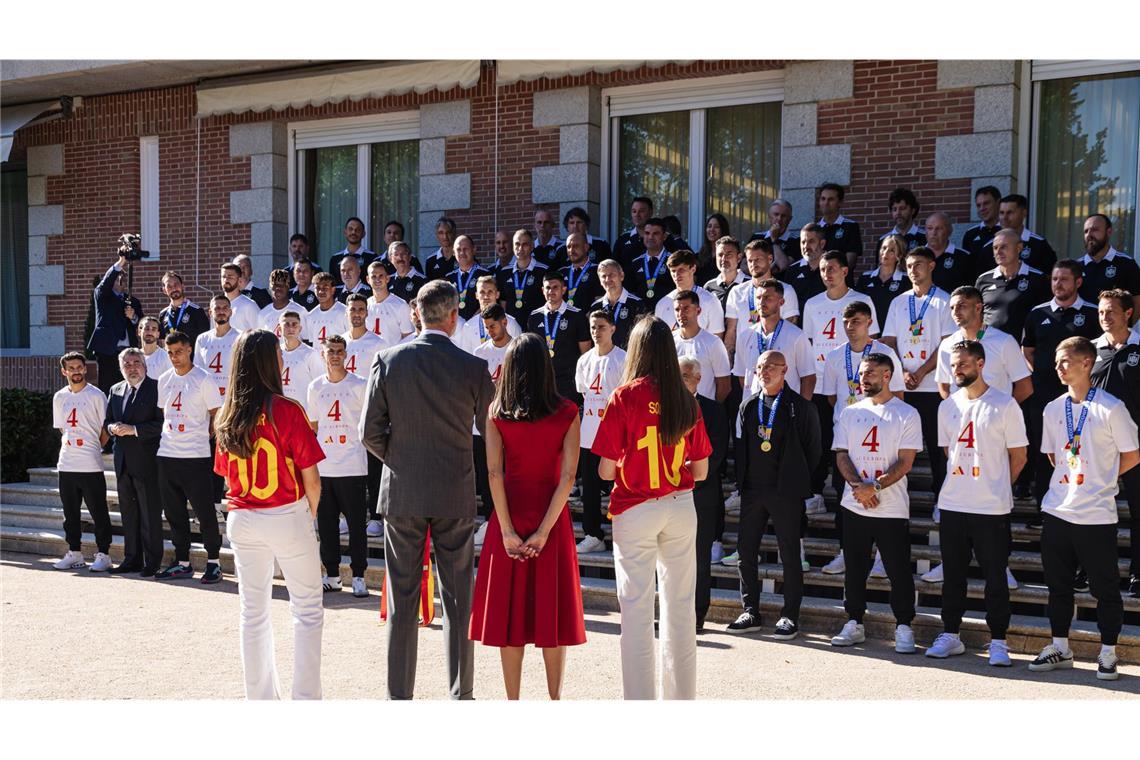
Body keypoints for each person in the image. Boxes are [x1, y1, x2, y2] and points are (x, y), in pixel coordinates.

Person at [359, 280, 495, 700]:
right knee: (458, 599)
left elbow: (368, 432)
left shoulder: (388, 360)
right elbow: (492, 430)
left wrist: (399, 459)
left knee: (403, 599)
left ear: (417, 314)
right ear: (454, 316)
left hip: (403, 489)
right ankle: (461, 694)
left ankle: (399, 698)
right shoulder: (473, 367)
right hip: (454, 487)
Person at [591, 316, 712, 699]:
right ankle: (681, 703)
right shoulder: (685, 397)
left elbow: (606, 471)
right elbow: (703, 470)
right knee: (680, 609)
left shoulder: (624, 396)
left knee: (636, 611)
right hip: (679, 504)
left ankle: (639, 706)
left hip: (636, 506)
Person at [468, 333, 586, 699]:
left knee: (509, 615)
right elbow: (568, 476)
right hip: (550, 518)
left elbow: (493, 473)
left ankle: (513, 701)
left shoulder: (496, 414)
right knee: (551, 612)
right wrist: (545, 530)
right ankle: (554, 699)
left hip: (510, 513)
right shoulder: (567, 412)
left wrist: (505, 530)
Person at [213, 329, 326, 699]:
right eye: (278, 353)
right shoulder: (288, 409)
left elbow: (226, 475)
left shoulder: (226, 415)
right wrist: (306, 519)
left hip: (243, 517)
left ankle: (260, 702)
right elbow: (312, 480)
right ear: (268, 361)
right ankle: (305, 702)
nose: (282, 359)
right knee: (307, 610)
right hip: (284, 511)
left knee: (253, 611)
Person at [1030, 336, 1139, 680]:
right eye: (1058, 361)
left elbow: (1133, 454)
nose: (1059, 367)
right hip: (1058, 509)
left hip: (1096, 514)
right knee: (1058, 586)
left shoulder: (1111, 407)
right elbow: (1052, 455)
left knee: (1105, 589)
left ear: (1087, 363)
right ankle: (1060, 646)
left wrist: (1102, 476)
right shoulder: (1052, 408)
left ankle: (1108, 653)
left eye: (1066, 361)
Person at [924, 340, 1027, 666]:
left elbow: (1019, 456)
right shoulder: (947, 406)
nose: (957, 370)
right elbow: (947, 452)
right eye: (954, 365)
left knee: (995, 577)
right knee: (953, 575)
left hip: (991, 507)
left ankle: (998, 641)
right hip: (954, 503)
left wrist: (996, 485)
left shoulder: (1004, 404)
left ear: (981, 364)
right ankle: (951, 634)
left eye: (964, 364)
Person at [829, 353, 923, 653]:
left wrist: (876, 486)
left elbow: (906, 461)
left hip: (891, 506)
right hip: (854, 503)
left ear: (886, 375)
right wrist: (859, 487)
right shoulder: (849, 412)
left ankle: (904, 626)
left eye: (869, 372)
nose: (863, 378)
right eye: (861, 373)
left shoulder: (907, 413)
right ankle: (854, 621)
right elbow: (841, 454)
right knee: (855, 567)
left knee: (897, 568)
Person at [726, 350, 821, 638]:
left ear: (785, 370)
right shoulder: (748, 406)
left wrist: (798, 481)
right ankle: (750, 610)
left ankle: (789, 614)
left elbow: (813, 450)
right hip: (754, 489)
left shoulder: (800, 407)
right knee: (746, 551)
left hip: (786, 491)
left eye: (770, 367)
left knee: (790, 553)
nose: (764, 372)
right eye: (759, 368)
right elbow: (740, 447)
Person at [818, 301, 905, 576]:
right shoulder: (834, 356)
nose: (849, 326)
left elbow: (899, 396)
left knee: (885, 491)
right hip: (847, 435)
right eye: (845, 321)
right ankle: (846, 552)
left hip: (882, 433)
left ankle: (881, 556)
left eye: (855, 320)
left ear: (869, 321)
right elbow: (833, 397)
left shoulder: (885, 352)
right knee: (846, 495)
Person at [1019, 261, 1101, 517]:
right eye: (1055, 279)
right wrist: (1046, 373)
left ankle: (1081, 506)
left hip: (1081, 399)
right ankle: (1044, 508)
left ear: (1078, 282)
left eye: (1064, 279)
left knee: (1081, 450)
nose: (1058, 284)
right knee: (1045, 451)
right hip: (1043, 395)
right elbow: (1027, 350)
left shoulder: (1091, 313)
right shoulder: (1037, 313)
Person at [801, 250, 879, 517]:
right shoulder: (812, 303)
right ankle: (816, 492)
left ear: (845, 271)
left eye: (832, 268)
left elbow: (874, 343)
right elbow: (809, 343)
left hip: (856, 388)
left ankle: (856, 490)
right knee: (820, 440)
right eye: (823, 270)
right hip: (822, 384)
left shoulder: (862, 300)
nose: (827, 274)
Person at [881, 247, 956, 507]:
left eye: (919, 265)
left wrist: (921, 371)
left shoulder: (945, 301)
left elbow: (948, 343)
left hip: (933, 387)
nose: (913, 270)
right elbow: (888, 341)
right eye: (910, 266)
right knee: (896, 446)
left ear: (932, 266)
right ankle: (893, 497)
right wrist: (901, 371)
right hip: (902, 387)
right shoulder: (898, 302)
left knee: (938, 448)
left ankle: (941, 500)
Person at [155, 330, 224, 582]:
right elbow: (165, 413)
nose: (175, 357)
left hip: (195, 457)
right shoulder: (164, 379)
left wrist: (201, 438)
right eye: (170, 353)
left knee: (204, 512)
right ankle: (182, 561)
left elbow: (216, 414)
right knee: (174, 513)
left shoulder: (204, 379)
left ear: (189, 350)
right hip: (167, 454)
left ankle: (214, 562)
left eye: (179, 352)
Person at [307, 334, 369, 598]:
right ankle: (332, 575)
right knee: (327, 525)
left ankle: (358, 576)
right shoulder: (315, 387)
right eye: (330, 351)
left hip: (353, 466)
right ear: (322, 355)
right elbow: (314, 425)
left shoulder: (360, 385)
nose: (334, 355)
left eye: (339, 351)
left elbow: (369, 422)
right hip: (326, 468)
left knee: (356, 526)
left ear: (346, 354)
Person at [1091, 289, 1140, 597]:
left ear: (1128, 314)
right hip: (1095, 446)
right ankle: (1090, 569)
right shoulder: (1089, 349)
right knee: (1093, 510)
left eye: (1110, 311)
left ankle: (1138, 573)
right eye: (1100, 312)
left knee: (1137, 511)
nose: (1104, 317)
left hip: (1135, 445)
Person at [103, 348, 164, 575]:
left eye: (136, 362)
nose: (132, 367)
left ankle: (152, 562)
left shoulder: (156, 388)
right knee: (129, 514)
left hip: (147, 462)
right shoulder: (115, 389)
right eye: (127, 364)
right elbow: (107, 420)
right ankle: (132, 559)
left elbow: (162, 424)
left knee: (149, 514)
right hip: (122, 462)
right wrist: (112, 428)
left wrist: (134, 430)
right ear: (121, 368)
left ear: (144, 365)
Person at [679, 356, 729, 633]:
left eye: (685, 376)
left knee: (699, 558)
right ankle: (673, 613)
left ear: (698, 379)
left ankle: (697, 615)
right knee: (671, 559)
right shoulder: (663, 408)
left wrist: (684, 476)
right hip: (669, 493)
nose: (680, 381)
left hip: (701, 493)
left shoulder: (713, 410)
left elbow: (716, 454)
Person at [52, 352, 112, 572]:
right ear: (64, 371)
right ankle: (74, 553)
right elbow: (62, 428)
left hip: (90, 464)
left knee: (98, 512)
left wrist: (93, 446)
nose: (76, 371)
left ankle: (104, 554)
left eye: (79, 367)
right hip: (66, 463)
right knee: (70, 514)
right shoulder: (59, 397)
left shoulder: (96, 395)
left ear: (85, 369)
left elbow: (105, 430)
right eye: (71, 368)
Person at [574, 309, 627, 554]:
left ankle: (623, 533)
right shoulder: (584, 360)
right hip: (589, 434)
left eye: (602, 327)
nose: (596, 332)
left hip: (616, 435)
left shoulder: (623, 359)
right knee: (591, 489)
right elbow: (584, 393)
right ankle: (593, 533)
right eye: (593, 327)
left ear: (613, 329)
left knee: (619, 485)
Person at [935, 286, 1031, 402]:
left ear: (978, 308)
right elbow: (944, 387)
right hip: (961, 417)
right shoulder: (946, 344)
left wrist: (1003, 411)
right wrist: (957, 409)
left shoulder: (1004, 341)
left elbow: (1025, 388)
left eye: (961, 306)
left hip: (996, 417)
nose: (955, 312)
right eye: (952, 308)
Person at [472, 304, 515, 546]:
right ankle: (490, 519)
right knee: (489, 472)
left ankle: (509, 518)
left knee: (509, 471)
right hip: (485, 421)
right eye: (486, 327)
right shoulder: (480, 352)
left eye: (493, 325)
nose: (490, 330)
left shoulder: (517, 348)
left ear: (505, 322)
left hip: (512, 421)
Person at [732, 278, 816, 401]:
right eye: (759, 298)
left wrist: (801, 411)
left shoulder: (796, 336)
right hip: (754, 407)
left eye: (768, 298)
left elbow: (809, 377)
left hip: (785, 407)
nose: (761, 302)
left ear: (781, 302)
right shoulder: (745, 336)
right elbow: (741, 376)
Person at [726, 239, 801, 360]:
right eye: (750, 260)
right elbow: (731, 332)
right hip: (745, 362)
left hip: (776, 361)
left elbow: (792, 329)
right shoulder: (737, 292)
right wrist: (729, 363)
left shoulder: (785, 290)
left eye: (758, 260)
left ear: (770, 259)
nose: (753, 264)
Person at [526, 270, 591, 404]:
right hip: (542, 381)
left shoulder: (577, 315)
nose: (551, 291)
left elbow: (585, 353)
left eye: (555, 287)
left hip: (569, 382)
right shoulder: (534, 316)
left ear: (564, 289)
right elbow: (531, 351)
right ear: (543, 290)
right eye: (548, 288)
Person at [976, 228, 1050, 341]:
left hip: (1022, 349)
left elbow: (1045, 317)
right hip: (989, 347)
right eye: (995, 248)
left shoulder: (1038, 279)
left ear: (1019, 248)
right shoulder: (983, 280)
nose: (998, 251)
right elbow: (978, 317)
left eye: (1004, 247)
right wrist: (978, 340)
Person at [88, 252, 142, 396]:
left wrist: (134, 317)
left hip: (128, 351)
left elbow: (141, 324)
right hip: (108, 350)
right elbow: (105, 283)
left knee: (129, 386)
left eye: (123, 278)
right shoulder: (102, 296)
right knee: (108, 387)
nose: (121, 280)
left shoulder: (133, 301)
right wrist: (121, 262)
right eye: (118, 277)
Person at [672, 291, 731, 403]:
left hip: (703, 412)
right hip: (675, 410)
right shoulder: (669, 340)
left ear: (698, 311)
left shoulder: (713, 342)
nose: (681, 314)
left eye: (686, 308)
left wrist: (709, 408)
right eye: (677, 310)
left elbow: (724, 385)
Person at [977, 194, 1058, 274]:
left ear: (1024, 213)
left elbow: (1050, 278)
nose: (1004, 217)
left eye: (1010, 212)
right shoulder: (988, 247)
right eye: (1001, 213)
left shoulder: (1040, 245)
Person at [654, 250, 726, 337]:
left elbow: (717, 338)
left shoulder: (710, 301)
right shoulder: (662, 304)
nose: (677, 274)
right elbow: (658, 340)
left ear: (693, 269)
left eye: (681, 270)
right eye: (673, 271)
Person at [1078, 213, 1140, 309]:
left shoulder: (1127, 264)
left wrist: (1128, 324)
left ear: (1109, 232)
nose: (1089, 235)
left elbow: (1137, 300)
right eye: (1086, 231)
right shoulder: (1076, 266)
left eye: (1095, 230)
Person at [590, 259, 648, 350]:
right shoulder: (595, 307)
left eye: (611, 275)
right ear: (600, 281)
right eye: (603, 276)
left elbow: (643, 337)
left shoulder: (637, 304)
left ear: (621, 276)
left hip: (628, 359)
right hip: (605, 360)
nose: (607, 279)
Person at [458, 275, 523, 353]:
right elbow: (466, 359)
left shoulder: (511, 323)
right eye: (482, 292)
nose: (486, 297)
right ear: (476, 295)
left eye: (490, 292)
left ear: (497, 294)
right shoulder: (468, 326)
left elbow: (519, 355)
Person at [497, 228, 548, 325]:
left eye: (525, 244)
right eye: (517, 244)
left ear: (532, 246)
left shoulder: (543, 271)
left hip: (536, 326)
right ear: (512, 246)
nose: (520, 248)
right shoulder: (504, 272)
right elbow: (503, 302)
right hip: (512, 328)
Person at [856, 234, 911, 322]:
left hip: (895, 333)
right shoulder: (865, 278)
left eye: (892, 250)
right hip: (868, 333)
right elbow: (856, 308)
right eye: (884, 248)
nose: (885, 253)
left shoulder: (907, 280)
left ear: (899, 256)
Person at [195, 295, 240, 401]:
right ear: (210, 313)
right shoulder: (202, 339)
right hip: (208, 398)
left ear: (230, 312)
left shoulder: (240, 337)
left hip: (232, 397)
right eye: (217, 308)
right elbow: (198, 370)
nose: (221, 311)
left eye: (225, 308)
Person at [626, 218, 675, 308]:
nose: (650, 237)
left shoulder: (674, 261)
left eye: (655, 234)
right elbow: (630, 292)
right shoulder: (636, 263)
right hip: (641, 316)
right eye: (647, 233)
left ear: (664, 237)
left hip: (667, 315)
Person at [925, 211, 977, 295]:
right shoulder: (916, 256)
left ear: (949, 231)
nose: (934, 233)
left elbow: (971, 292)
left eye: (939, 228)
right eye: (930, 228)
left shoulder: (964, 257)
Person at [816, 182, 862, 276]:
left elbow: (850, 262)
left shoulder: (850, 227)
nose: (826, 203)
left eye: (831, 199)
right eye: (823, 199)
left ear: (840, 202)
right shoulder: (814, 229)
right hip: (817, 284)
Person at [279, 311, 323, 404]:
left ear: (300, 329)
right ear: (279, 329)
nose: (291, 328)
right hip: (280, 407)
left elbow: (319, 384)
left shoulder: (310, 354)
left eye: (294, 325)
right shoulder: (275, 353)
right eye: (287, 325)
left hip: (302, 409)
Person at [366, 261, 415, 344]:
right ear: (368, 279)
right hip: (371, 355)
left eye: (381, 275)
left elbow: (408, 337)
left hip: (392, 355)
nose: (377, 279)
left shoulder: (401, 305)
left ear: (387, 278)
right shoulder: (365, 305)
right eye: (373, 276)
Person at [781, 223, 828, 308]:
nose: (806, 246)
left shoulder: (833, 268)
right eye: (803, 242)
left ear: (822, 244)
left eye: (811, 241)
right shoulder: (792, 270)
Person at [157, 270, 209, 345]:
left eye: (176, 284)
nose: (174, 288)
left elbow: (205, 339)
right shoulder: (163, 314)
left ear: (182, 286)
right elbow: (162, 342)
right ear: (164, 290)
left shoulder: (197, 311)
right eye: (169, 286)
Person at [748, 199, 798, 274]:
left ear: (789, 219)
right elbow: (744, 266)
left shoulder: (796, 240)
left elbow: (783, 266)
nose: (779, 219)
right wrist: (768, 270)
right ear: (769, 217)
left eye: (783, 216)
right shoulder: (757, 237)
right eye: (776, 214)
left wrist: (774, 240)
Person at [703, 236, 748, 317]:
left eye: (729, 255)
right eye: (720, 255)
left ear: (739, 257)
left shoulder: (750, 284)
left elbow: (755, 318)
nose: (723, 259)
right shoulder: (708, 287)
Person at [445, 234, 487, 320]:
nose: (462, 253)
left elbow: (488, 302)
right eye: (458, 250)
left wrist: (472, 322)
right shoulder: (449, 278)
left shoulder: (484, 275)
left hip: (478, 324)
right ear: (453, 252)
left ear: (473, 250)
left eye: (465, 249)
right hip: (455, 327)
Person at [560, 232, 603, 310]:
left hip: (588, 320)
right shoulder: (561, 273)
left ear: (586, 247)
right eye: (568, 247)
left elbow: (601, 300)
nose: (571, 250)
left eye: (576, 246)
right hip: (564, 320)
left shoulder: (598, 271)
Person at [259, 268, 307, 338]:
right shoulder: (263, 313)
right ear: (270, 288)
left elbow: (307, 340)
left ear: (288, 287)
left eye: (282, 285)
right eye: (275, 285)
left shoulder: (300, 311)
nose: (278, 289)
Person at [960, 185, 1003, 262]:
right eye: (978, 205)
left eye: (986, 203)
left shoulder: (1008, 231)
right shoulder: (970, 234)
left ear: (998, 203)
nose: (982, 208)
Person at [328, 217, 375, 286]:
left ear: (363, 234)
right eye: (350, 229)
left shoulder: (372, 258)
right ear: (345, 232)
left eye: (357, 230)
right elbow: (332, 285)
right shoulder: (335, 259)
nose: (353, 232)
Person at [305, 272, 349, 347]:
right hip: (317, 358)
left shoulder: (345, 312)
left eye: (325, 288)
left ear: (333, 290)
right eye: (317, 288)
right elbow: (312, 342)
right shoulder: (311, 315)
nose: (321, 291)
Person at [613, 196, 654, 268]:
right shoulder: (622, 240)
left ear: (650, 212)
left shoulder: (660, 237)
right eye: (634, 211)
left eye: (641, 211)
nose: (637, 215)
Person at [219, 263, 260, 333]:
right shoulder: (216, 306)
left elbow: (260, 334)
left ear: (239, 281)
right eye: (223, 277)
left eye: (230, 277)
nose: (226, 280)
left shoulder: (249, 305)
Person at [695, 212, 730, 283]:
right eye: (709, 226)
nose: (712, 230)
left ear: (723, 230)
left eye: (716, 227)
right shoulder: (698, 256)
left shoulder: (729, 256)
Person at [425, 217, 458, 281]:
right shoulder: (431, 260)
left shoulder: (462, 256)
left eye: (448, 232)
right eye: (441, 233)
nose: (445, 237)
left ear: (454, 233)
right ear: (437, 235)